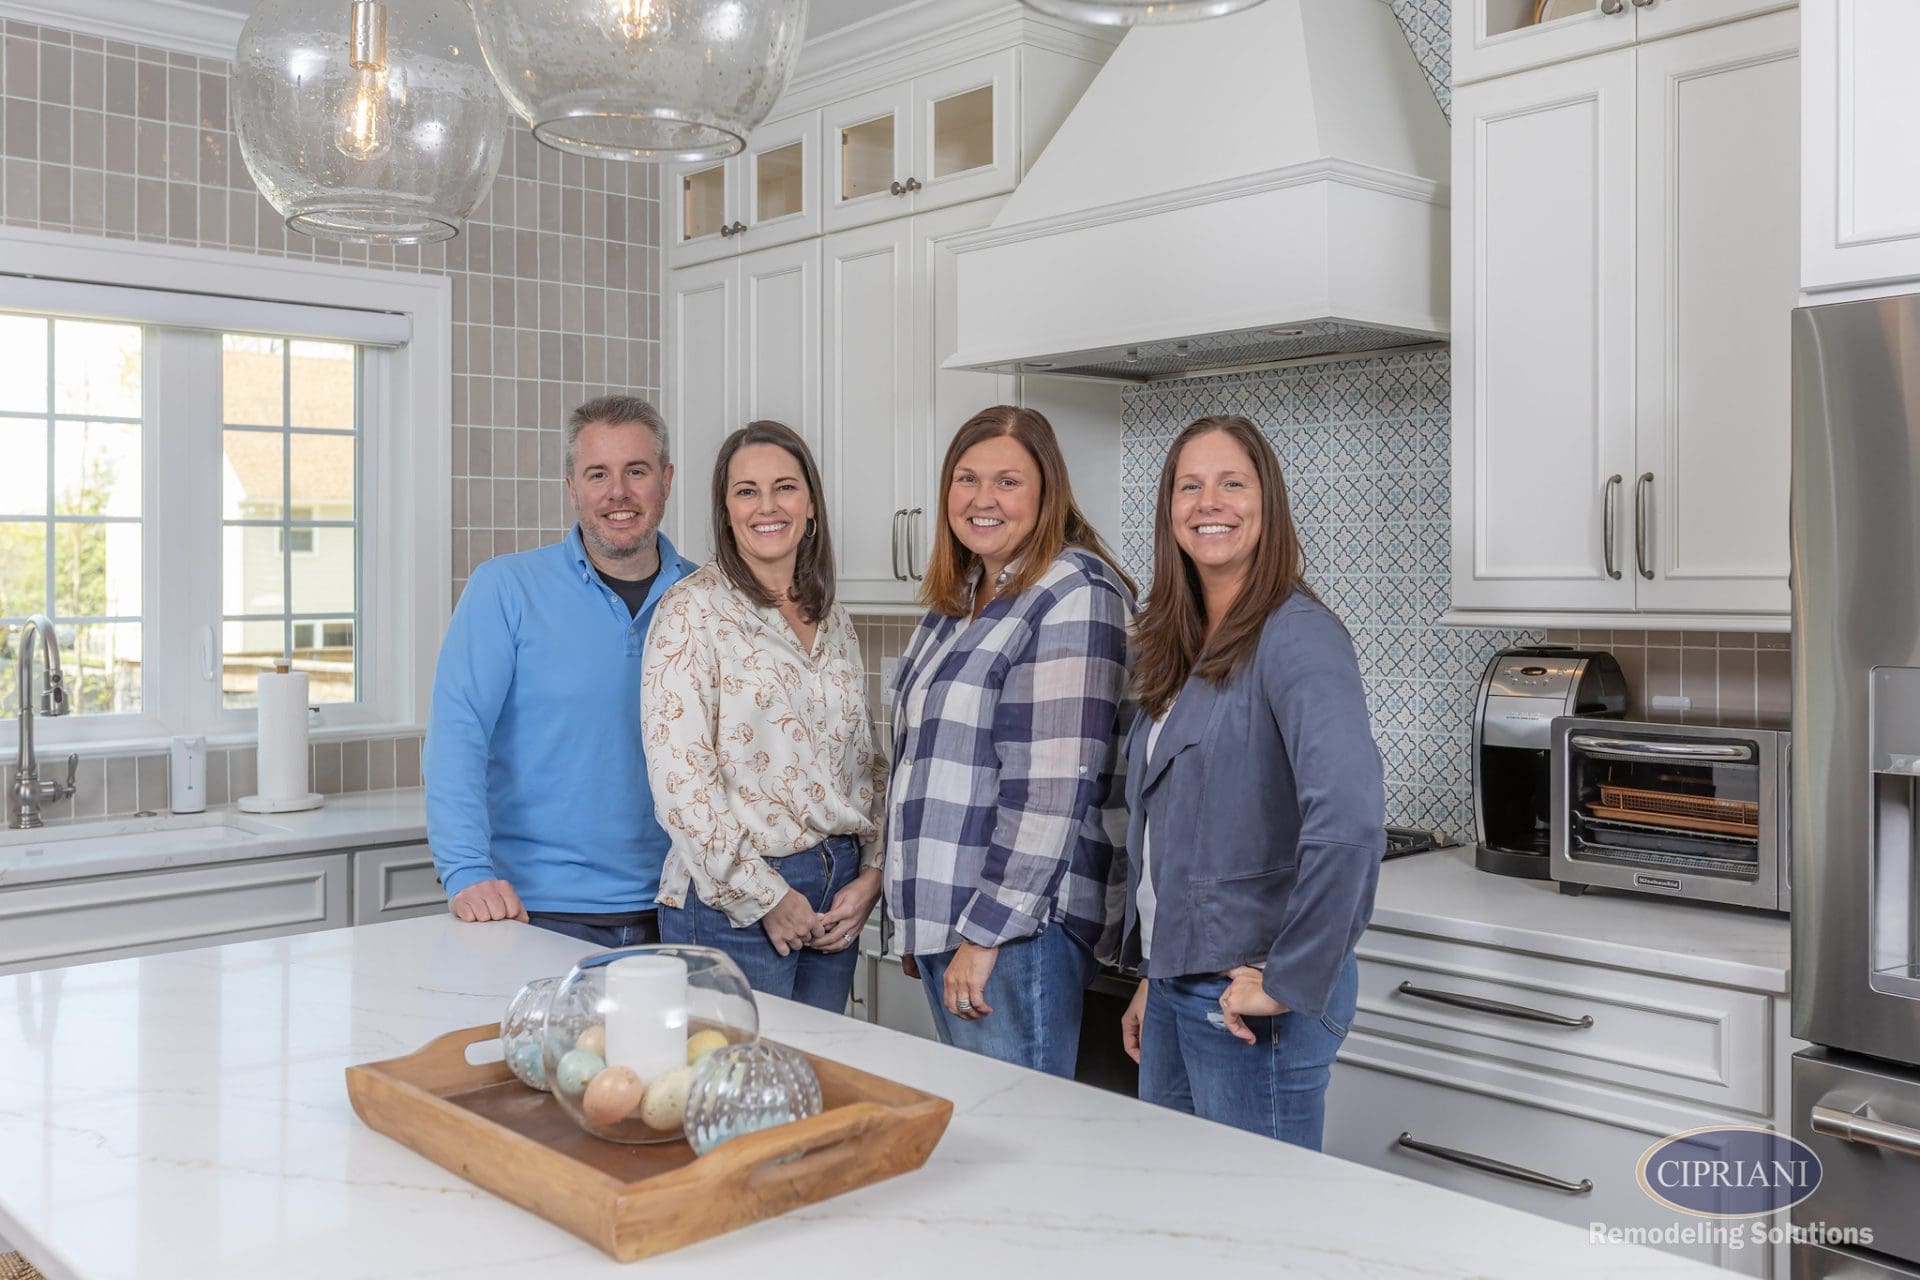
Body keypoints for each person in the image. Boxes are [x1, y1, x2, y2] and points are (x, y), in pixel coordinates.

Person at [1117, 414, 1385, 1149]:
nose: (1210, 503)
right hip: (1183, 984)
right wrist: (1155, 975)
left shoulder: (1298, 635)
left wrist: (1286, 979)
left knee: (1260, 1232)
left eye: (1232, 483)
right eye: (1190, 486)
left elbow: (1352, 820)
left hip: (1250, 999)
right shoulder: (1180, 641)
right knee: (1180, 1220)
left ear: (1267, 503)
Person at [884, 405, 1135, 1077]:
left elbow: (1050, 787)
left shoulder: (1073, 591)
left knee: (1021, 1141)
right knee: (990, 1133)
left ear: (1047, 491)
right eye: (966, 479)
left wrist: (982, 933)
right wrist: (919, 917)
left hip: (1017, 929)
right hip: (959, 921)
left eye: (1007, 482)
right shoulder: (963, 593)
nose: (982, 499)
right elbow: (926, 762)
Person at [424, 396, 695, 947]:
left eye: (636, 471)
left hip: (683, 909)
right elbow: (457, 735)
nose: (617, 492)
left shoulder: (706, 597)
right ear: (572, 487)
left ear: (665, 481)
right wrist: (466, 872)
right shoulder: (505, 589)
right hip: (534, 914)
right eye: (598, 474)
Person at [644, 421, 885, 1011]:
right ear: (725, 511)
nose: (767, 506)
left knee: (812, 1086)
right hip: (731, 900)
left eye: (785, 487)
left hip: (837, 892)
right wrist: (767, 897)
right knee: (729, 1091)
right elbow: (682, 787)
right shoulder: (690, 612)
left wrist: (871, 876)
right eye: (746, 491)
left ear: (811, 508)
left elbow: (865, 763)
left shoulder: (834, 619)